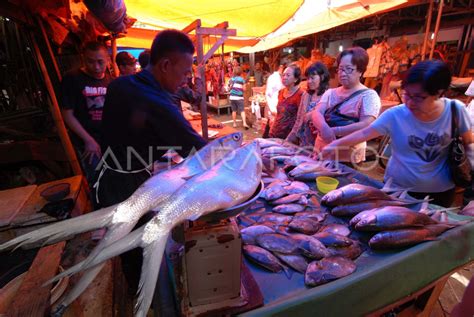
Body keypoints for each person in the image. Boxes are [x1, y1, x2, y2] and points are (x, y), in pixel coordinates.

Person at [98, 29, 207, 293]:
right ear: (165, 65)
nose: (185, 81)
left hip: (109, 178)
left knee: (125, 246)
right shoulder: (155, 101)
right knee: (137, 251)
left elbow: (132, 132)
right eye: (184, 74)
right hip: (126, 186)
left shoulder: (120, 84)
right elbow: (200, 151)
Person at [322, 60, 473, 207]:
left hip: (439, 194)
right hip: (396, 189)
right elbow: (364, 133)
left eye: (419, 97)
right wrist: (334, 145)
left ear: (439, 93)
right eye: (407, 94)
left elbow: (469, 143)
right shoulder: (396, 114)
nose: (410, 102)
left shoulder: (455, 110)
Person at [311, 46, 381, 163]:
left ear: (360, 71)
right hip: (321, 152)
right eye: (340, 69)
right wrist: (324, 128)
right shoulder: (330, 92)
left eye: (348, 69)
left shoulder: (368, 95)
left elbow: (366, 124)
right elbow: (317, 112)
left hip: (348, 158)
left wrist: (335, 131)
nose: (342, 73)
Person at [60, 41, 113, 185]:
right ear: (83, 58)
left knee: (113, 180)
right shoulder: (72, 78)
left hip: (108, 141)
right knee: (97, 182)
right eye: (90, 61)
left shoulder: (110, 80)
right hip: (88, 143)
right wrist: (88, 140)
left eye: (100, 62)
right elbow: (67, 114)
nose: (96, 67)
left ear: (108, 59)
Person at [286, 62, 330, 148]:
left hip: (320, 144)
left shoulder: (329, 96)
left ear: (323, 77)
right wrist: (289, 138)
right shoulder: (306, 95)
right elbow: (299, 119)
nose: (309, 81)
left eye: (312, 78)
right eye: (307, 78)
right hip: (304, 142)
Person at [268, 63, 304, 139]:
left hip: (289, 137)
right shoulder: (281, 92)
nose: (284, 77)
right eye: (283, 75)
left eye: (288, 75)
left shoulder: (301, 95)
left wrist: (291, 138)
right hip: (274, 133)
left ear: (296, 79)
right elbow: (279, 113)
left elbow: (301, 119)